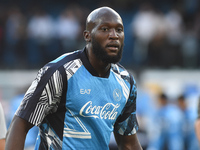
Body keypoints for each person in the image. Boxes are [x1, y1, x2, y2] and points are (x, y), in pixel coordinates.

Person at [5, 7, 142, 150]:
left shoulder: (126, 81)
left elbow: (129, 144)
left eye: (119, 30)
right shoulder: (59, 72)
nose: (114, 35)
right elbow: (20, 124)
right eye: (105, 29)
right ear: (87, 36)